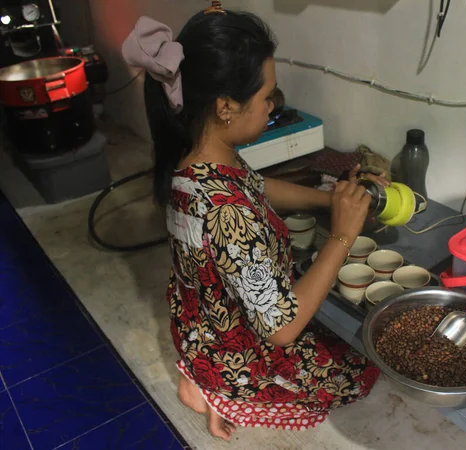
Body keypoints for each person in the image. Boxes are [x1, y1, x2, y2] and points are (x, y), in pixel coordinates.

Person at [122, 5, 388, 441]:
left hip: (202, 325)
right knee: (357, 370)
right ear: (226, 106)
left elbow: (256, 186)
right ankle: (219, 390)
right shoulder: (227, 213)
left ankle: (201, 373)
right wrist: (342, 234)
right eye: (268, 97)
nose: (272, 107)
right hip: (237, 348)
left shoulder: (199, 163)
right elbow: (281, 330)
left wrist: (329, 200)